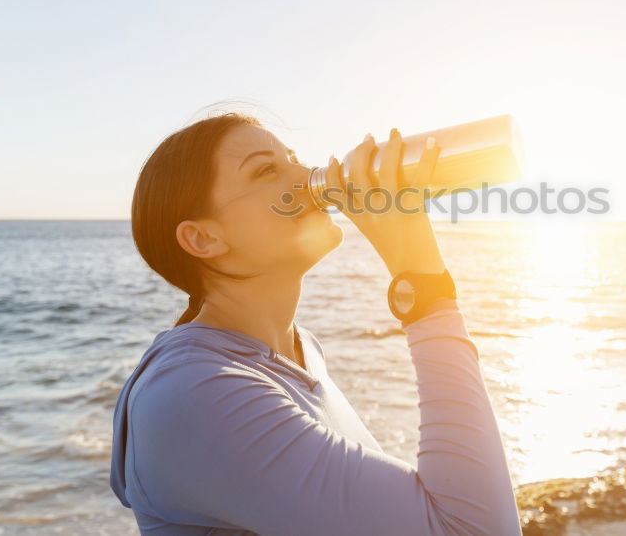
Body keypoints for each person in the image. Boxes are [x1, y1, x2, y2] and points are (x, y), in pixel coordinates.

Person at [109, 113, 522, 535]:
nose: (307, 176)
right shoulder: (193, 392)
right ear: (204, 239)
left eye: (294, 159)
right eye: (266, 169)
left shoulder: (300, 353)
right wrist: (421, 279)